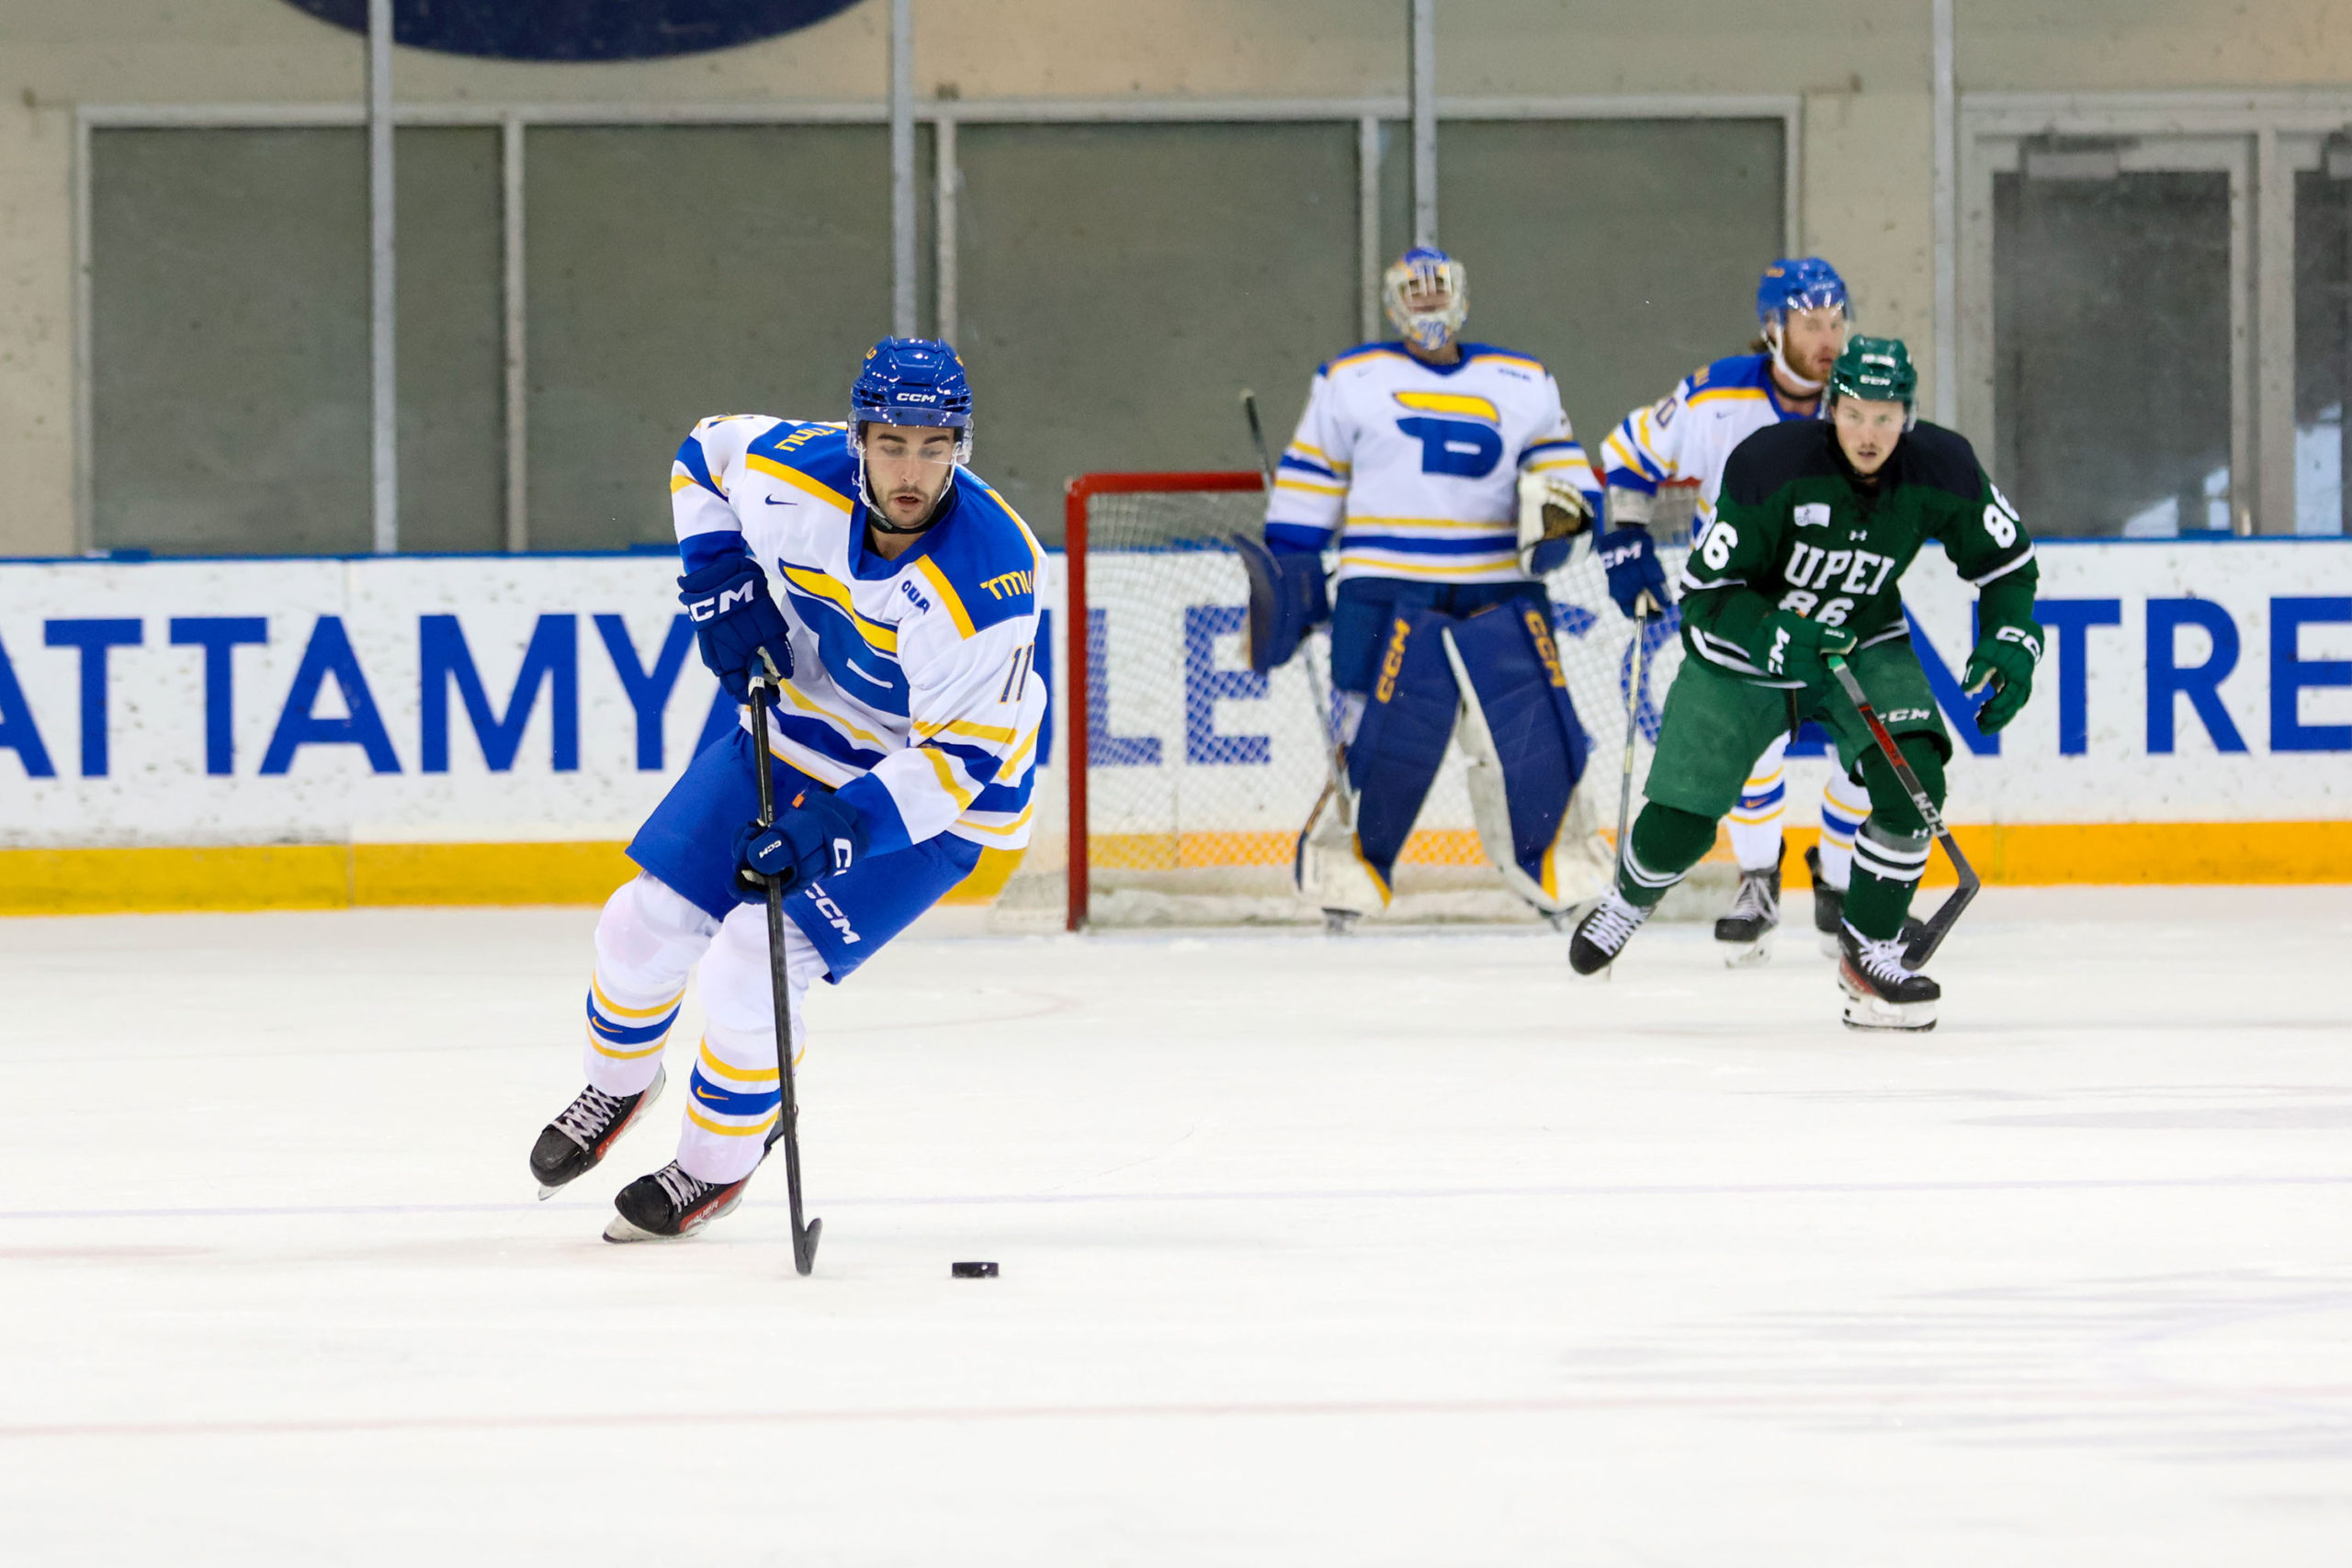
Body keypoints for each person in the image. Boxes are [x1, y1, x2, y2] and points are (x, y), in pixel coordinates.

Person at [527, 338, 1046, 1240]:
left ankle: (713, 1168)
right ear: (857, 438)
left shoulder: (988, 578)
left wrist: (838, 832)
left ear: (961, 444)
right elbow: (704, 454)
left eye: (934, 446)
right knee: (638, 922)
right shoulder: (790, 474)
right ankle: (617, 1089)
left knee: (748, 964)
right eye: (892, 443)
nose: (912, 470)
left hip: (931, 799)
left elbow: (958, 768)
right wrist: (718, 576)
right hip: (799, 728)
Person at [1567, 337, 2041, 1032]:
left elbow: (2007, 561)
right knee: (1682, 824)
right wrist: (1777, 633)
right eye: (1854, 414)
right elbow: (1705, 593)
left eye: (1885, 417)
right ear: (1830, 409)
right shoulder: (1769, 463)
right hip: (1742, 646)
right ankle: (1631, 895)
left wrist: (2010, 636)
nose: (1869, 433)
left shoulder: (1944, 465)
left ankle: (1869, 956)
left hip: (1859, 638)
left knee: (1913, 779)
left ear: (1907, 415)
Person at [1237, 245, 1610, 923]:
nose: (1428, 306)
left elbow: (1570, 480)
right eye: (1415, 295)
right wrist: (1290, 567)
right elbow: (1310, 481)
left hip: (1499, 586)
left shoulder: (1524, 380)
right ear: (1392, 304)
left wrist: (1564, 520)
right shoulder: (1349, 378)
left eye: (1438, 294)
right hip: (1383, 588)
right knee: (1377, 737)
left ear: (1462, 298)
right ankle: (1346, 874)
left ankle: (1556, 866)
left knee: (1530, 736)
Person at [1594, 257, 1882, 963]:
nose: (1829, 338)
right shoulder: (1714, 397)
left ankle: (1838, 882)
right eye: (1811, 323)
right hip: (1739, 607)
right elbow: (1626, 455)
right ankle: (1758, 879)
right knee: (1753, 749)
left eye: (1837, 321)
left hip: (1839, 596)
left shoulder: (1862, 399)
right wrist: (1625, 542)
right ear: (1773, 326)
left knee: (1865, 746)